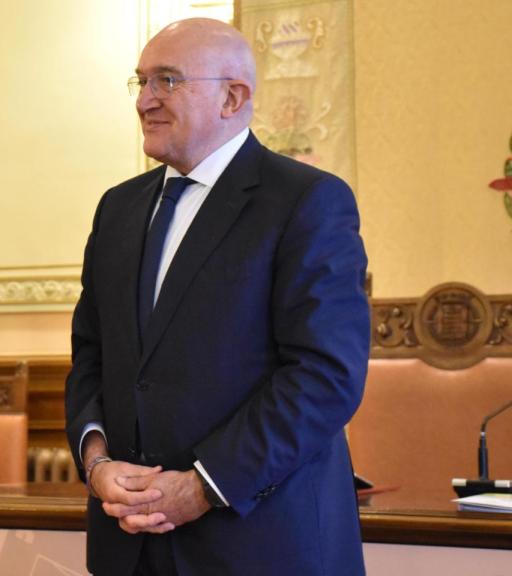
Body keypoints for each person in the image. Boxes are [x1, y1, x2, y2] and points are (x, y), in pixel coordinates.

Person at [65, 18, 369, 576]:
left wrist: (204, 485)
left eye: (168, 81)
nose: (145, 101)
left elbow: (325, 375)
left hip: (258, 543)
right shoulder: (118, 210)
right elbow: (92, 356)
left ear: (233, 97)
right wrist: (98, 460)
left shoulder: (306, 202)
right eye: (141, 83)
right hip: (129, 546)